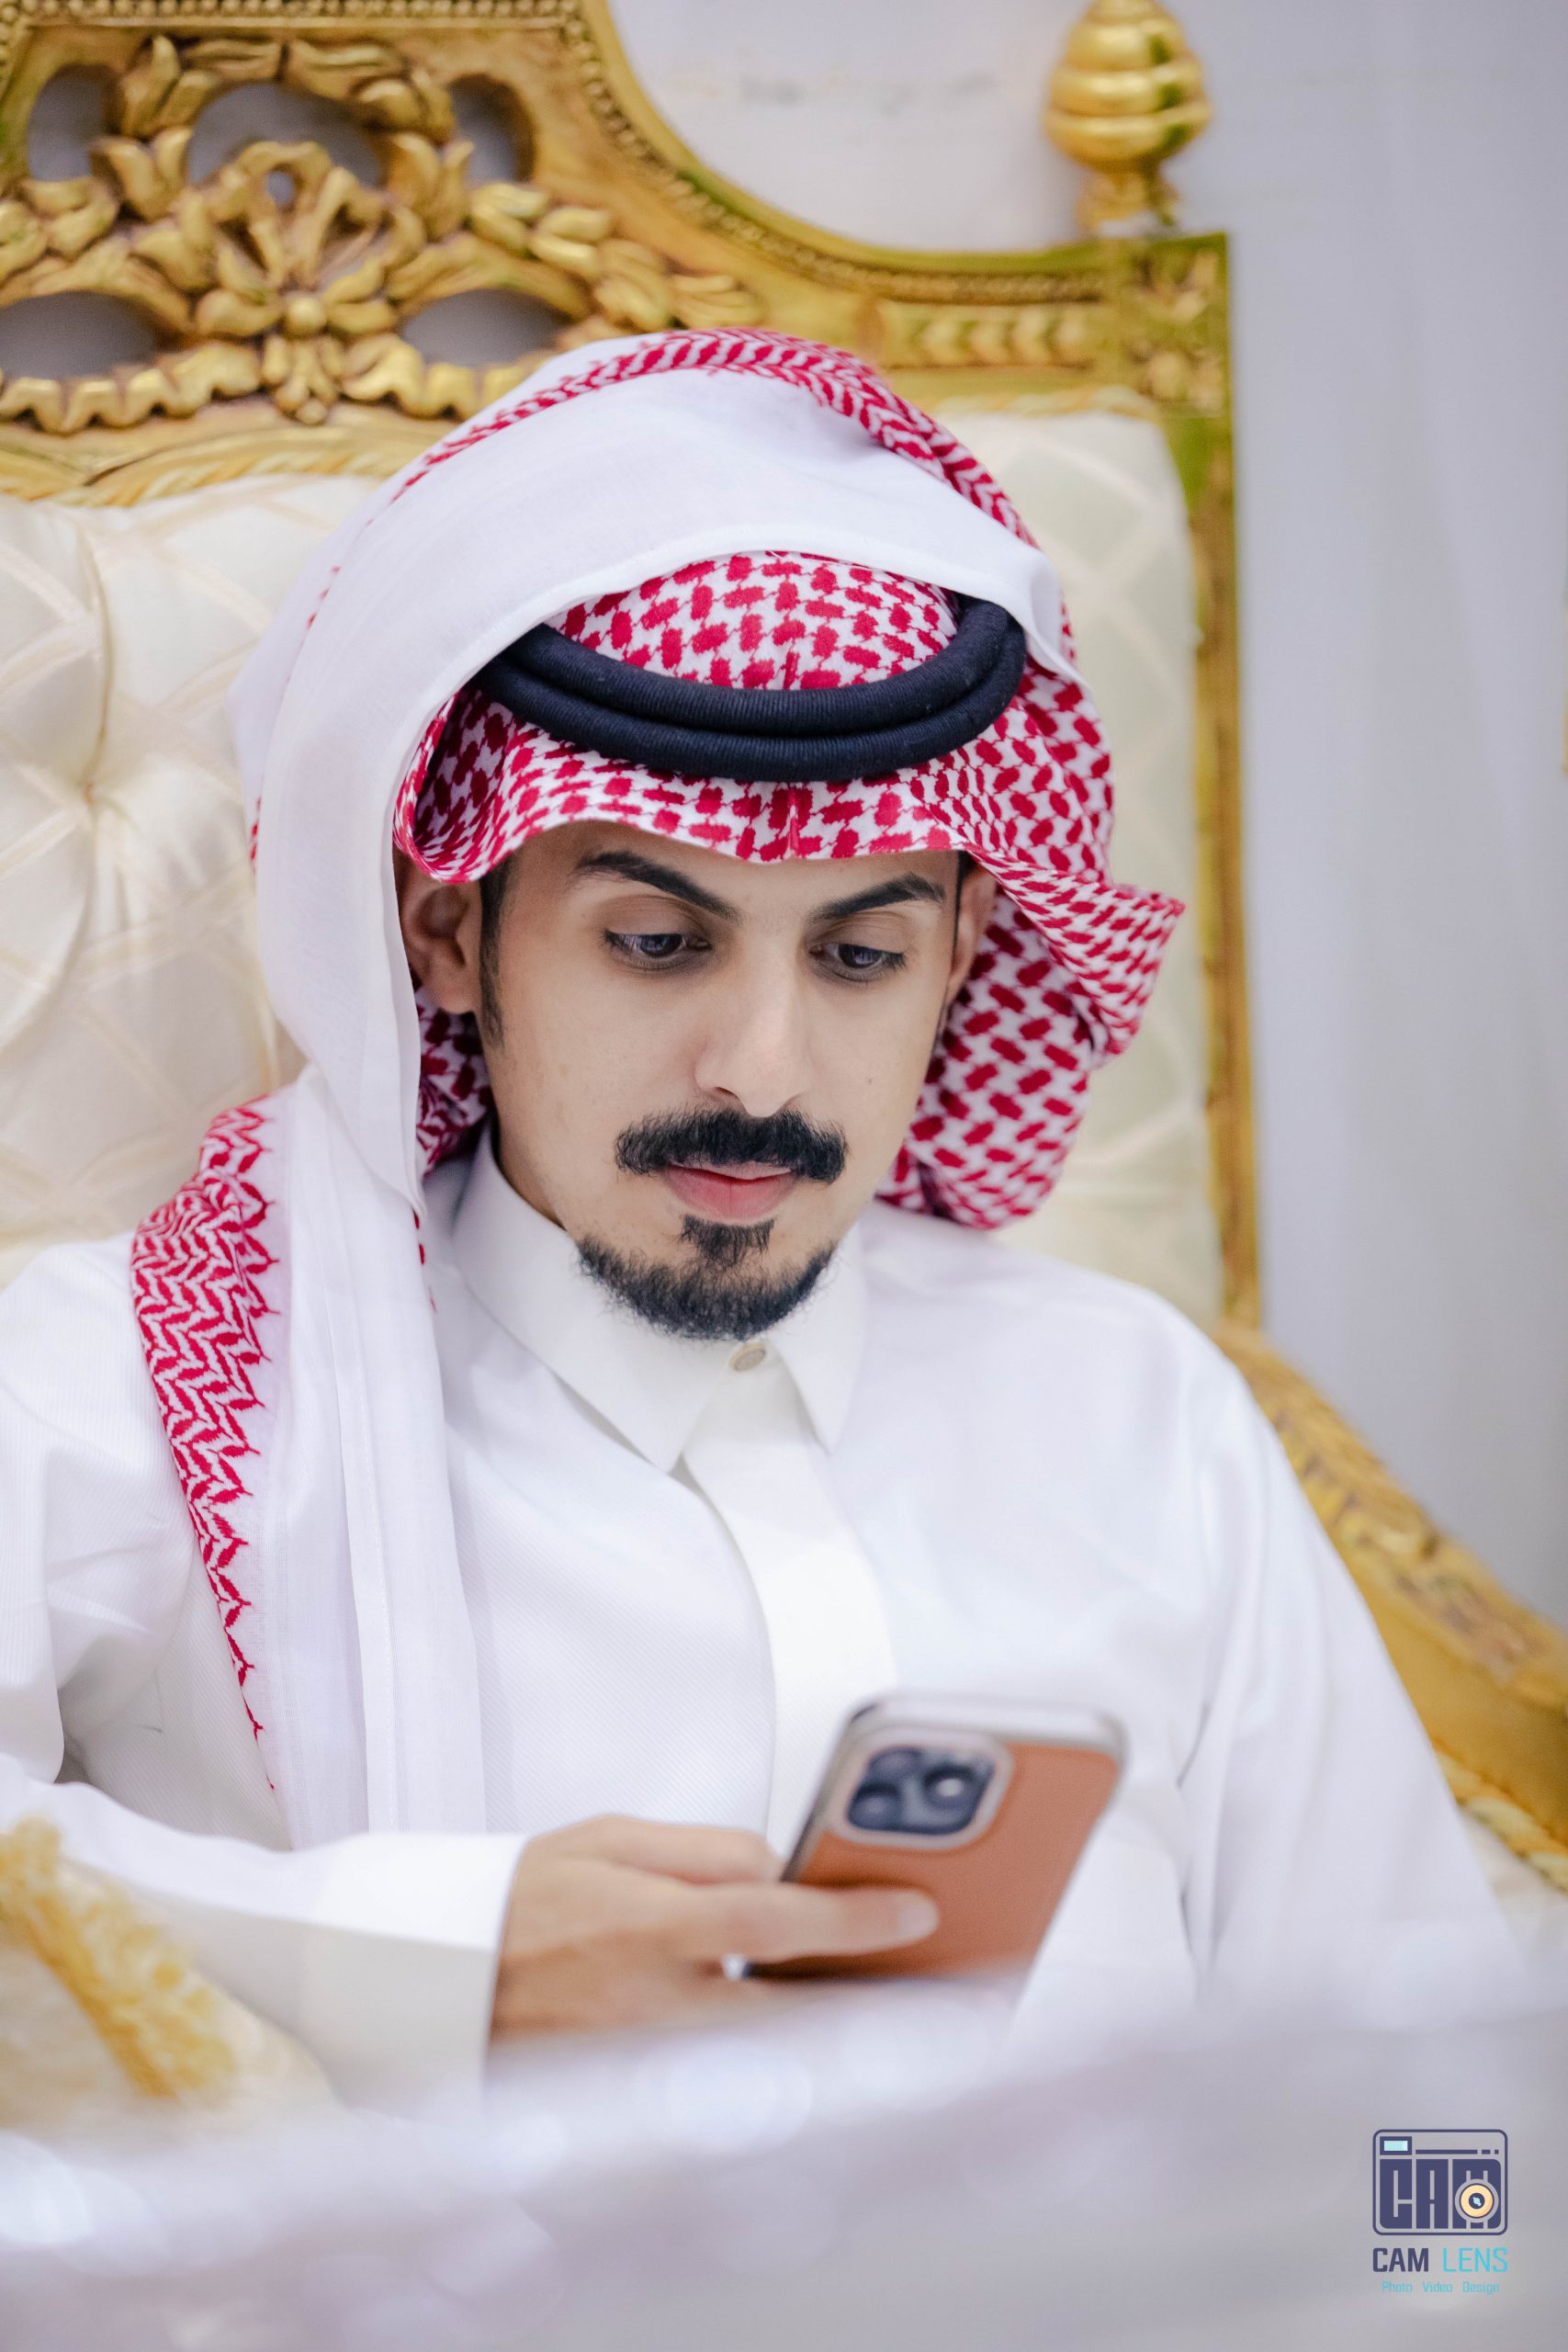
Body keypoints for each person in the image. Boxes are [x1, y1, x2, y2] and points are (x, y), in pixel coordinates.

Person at [0, 331, 1508, 2108]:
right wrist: (443, 1957)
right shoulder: (140, 1389)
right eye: (659, 943)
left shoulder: (1137, 1412)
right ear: (446, 932)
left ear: (963, 953)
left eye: (860, 956)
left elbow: (1439, 2088)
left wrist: (1443, 2265)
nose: (762, 1070)